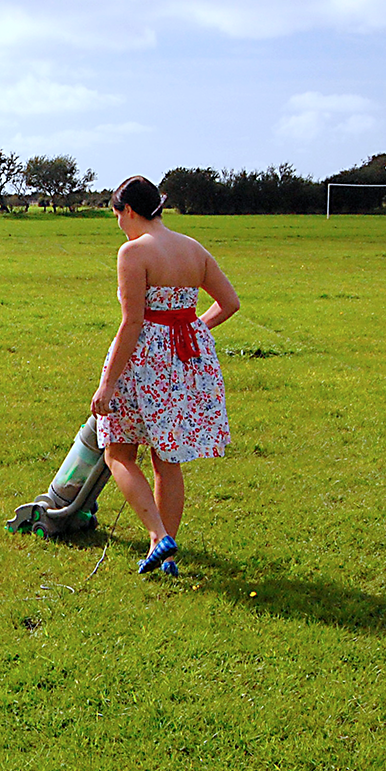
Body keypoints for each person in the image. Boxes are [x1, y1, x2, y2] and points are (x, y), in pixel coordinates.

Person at [91, 175, 240, 576]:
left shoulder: (133, 253)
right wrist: (192, 330)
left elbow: (132, 322)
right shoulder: (193, 249)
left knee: (117, 451)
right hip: (186, 361)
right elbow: (229, 303)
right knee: (166, 458)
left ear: (132, 211)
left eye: (118, 214)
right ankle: (166, 559)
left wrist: (107, 383)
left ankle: (159, 535)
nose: (119, 224)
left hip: (143, 363)